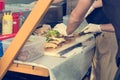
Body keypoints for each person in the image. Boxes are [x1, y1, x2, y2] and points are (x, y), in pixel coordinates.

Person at [66, 0, 119, 80]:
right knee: (98, 71)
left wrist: (66, 33)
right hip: (101, 32)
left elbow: (75, 18)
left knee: (105, 74)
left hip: (109, 34)